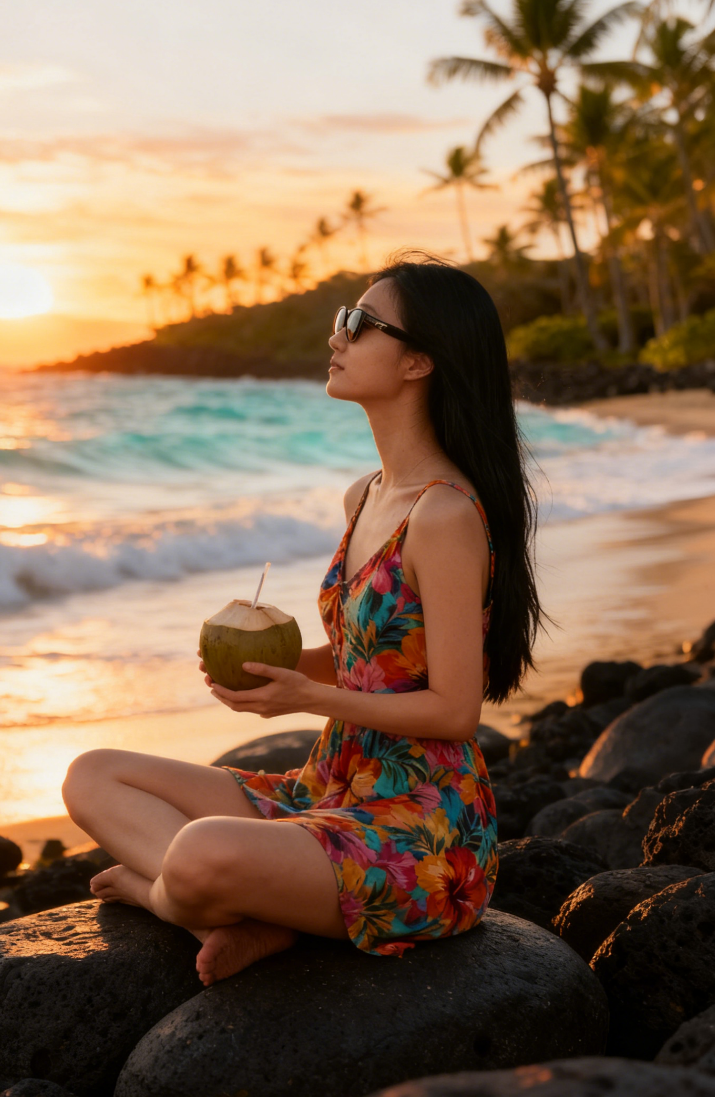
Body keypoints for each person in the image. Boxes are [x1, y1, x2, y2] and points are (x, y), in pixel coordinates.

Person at [61, 250, 541, 987]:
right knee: (92, 775)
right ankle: (228, 909)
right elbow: (365, 658)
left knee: (196, 853)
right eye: (341, 319)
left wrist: (306, 699)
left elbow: (455, 709)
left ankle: (166, 894)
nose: (336, 337)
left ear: (418, 364)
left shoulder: (444, 514)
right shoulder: (366, 494)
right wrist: (275, 673)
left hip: (421, 827)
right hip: (330, 787)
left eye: (360, 323)